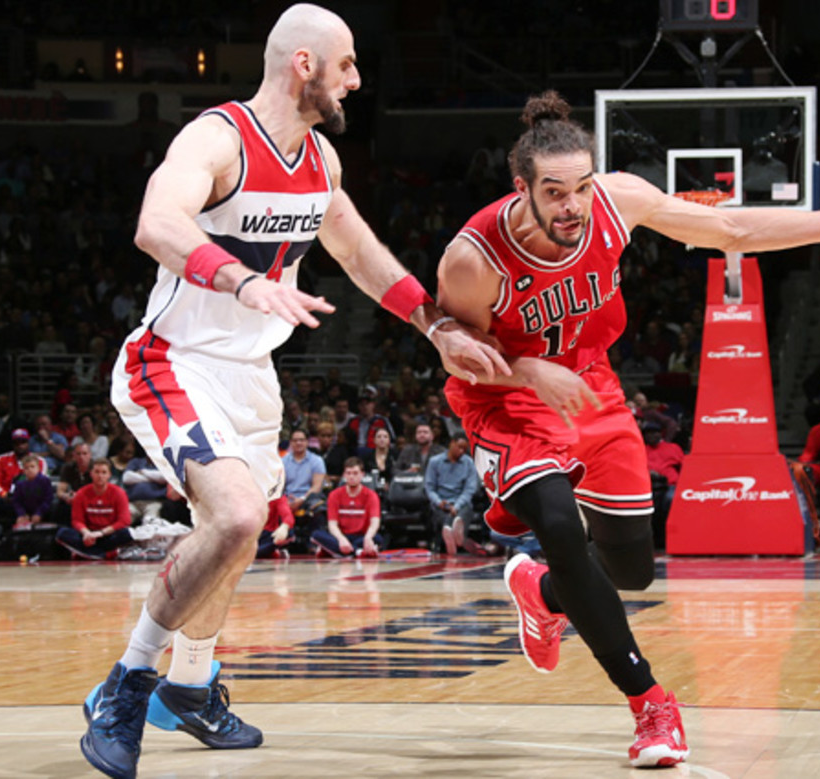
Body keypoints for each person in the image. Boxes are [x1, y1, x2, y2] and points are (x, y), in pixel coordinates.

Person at [85, 6, 507, 779]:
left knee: (241, 536)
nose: (356, 80)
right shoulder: (218, 139)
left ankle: (190, 684)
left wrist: (435, 326)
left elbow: (358, 251)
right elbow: (155, 223)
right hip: (173, 360)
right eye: (346, 65)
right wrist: (243, 280)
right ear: (305, 64)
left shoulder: (320, 162)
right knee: (237, 513)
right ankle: (127, 683)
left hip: (249, 376)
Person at [434, 89, 820, 768]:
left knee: (630, 570)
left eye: (582, 187)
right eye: (555, 192)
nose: (572, 205)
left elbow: (731, 231)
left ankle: (543, 592)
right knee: (561, 526)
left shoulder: (618, 202)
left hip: (591, 384)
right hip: (505, 396)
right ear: (523, 189)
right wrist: (533, 373)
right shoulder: (474, 257)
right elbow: (454, 350)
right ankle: (652, 704)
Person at [0, 429, 46, 562]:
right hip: (7, 498)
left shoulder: (39, 461)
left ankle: (39, 547)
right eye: (17, 442)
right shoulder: (2, 459)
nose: (20, 445)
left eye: (23, 442)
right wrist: (3, 493)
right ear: (13, 444)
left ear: (28, 443)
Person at [56, 459, 135, 560]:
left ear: (109, 475)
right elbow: (77, 520)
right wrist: (86, 533)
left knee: (127, 533)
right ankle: (103, 554)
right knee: (62, 533)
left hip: (108, 534)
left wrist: (101, 533)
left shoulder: (119, 493)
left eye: (104, 472)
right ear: (91, 474)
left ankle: (86, 553)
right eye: (97, 472)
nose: (100, 476)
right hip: (89, 535)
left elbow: (124, 521)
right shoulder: (81, 493)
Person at [311, 457, 384, 557]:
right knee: (316, 535)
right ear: (344, 475)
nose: (351, 477)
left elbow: (375, 522)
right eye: (348, 473)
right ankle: (357, 552)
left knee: (378, 539)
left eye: (355, 473)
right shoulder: (334, 495)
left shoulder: (371, 495)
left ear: (362, 475)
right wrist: (341, 540)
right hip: (341, 536)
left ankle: (335, 551)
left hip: (361, 536)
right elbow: (332, 525)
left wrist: (368, 537)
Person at [424, 433, 481, 556]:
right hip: (441, 501)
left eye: (464, 449)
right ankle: (455, 537)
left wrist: (457, 505)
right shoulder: (434, 462)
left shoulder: (469, 463)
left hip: (460, 501)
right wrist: (439, 502)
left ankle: (452, 533)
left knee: (464, 511)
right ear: (451, 443)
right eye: (459, 447)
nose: (461, 451)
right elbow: (429, 487)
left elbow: (469, 489)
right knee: (438, 512)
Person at [282, 429, 327, 516]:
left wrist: (302, 499)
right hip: (287, 500)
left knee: (318, 505)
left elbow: (316, 487)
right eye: (295, 440)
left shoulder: (317, 461)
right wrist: (285, 501)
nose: (298, 443)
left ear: (307, 442)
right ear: (290, 443)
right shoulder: (283, 462)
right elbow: (280, 487)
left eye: (302, 440)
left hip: (309, 499)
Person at [11, 453, 56, 531]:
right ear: (23, 470)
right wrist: (22, 514)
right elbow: (16, 501)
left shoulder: (44, 481)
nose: (30, 470)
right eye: (26, 468)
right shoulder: (20, 484)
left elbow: (48, 499)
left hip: (44, 511)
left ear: (38, 468)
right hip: (27, 512)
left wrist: (39, 513)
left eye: (32, 466)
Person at [257, 496, 296, 560]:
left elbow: (288, 516)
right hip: (249, 535)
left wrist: (284, 527)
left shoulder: (277, 496)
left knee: (290, 533)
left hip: (269, 535)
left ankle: (270, 549)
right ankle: (271, 550)